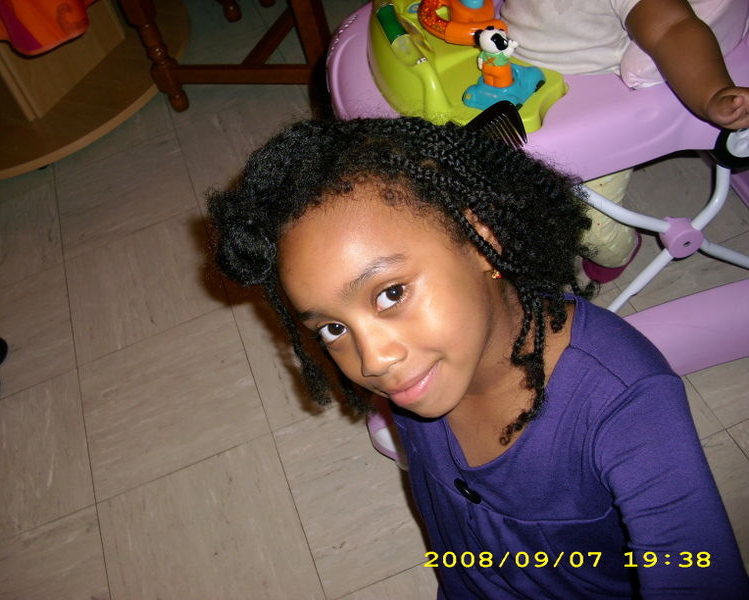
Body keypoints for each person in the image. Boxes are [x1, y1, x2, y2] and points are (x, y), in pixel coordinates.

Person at [209, 117, 749, 599]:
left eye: (391, 293)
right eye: (332, 328)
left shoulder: (625, 405)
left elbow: (699, 574)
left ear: (479, 237)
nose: (373, 360)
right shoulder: (424, 366)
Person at [499, 0, 749, 282]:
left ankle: (619, 252)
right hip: (506, 56)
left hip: (590, 100)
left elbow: (672, 29)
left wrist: (713, 93)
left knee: (592, 228)